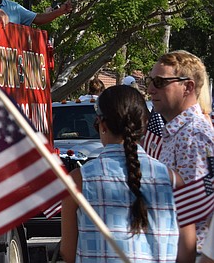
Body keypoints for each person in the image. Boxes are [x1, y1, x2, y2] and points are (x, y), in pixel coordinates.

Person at [59, 85, 195, 263]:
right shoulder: (173, 180)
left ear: (103, 125)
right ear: (144, 126)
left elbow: (68, 253)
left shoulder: (79, 180)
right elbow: (188, 251)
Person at [147, 50, 214, 255]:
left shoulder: (193, 136)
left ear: (188, 87)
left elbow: (199, 214)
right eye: (150, 81)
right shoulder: (179, 133)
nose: (150, 89)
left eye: (159, 82)